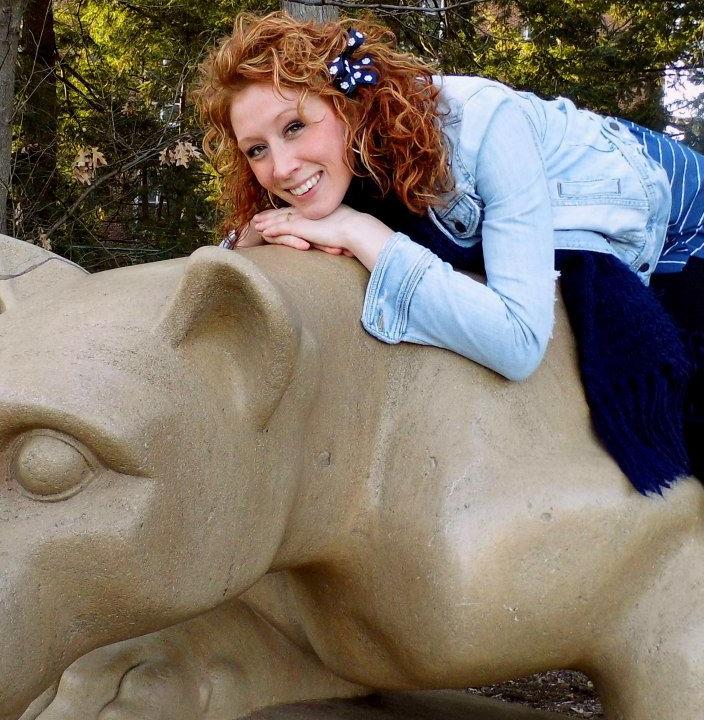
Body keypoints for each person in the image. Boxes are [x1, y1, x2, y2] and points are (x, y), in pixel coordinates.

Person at [192, 11, 704, 490]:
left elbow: (519, 341)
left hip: (672, 208)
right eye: (256, 148)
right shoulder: (318, 166)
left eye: (295, 127)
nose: (280, 168)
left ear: (346, 105)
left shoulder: (485, 125)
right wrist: (247, 241)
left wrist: (363, 233)